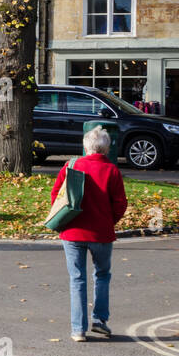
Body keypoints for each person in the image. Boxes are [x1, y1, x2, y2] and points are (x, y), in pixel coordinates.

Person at [51, 126, 127, 342]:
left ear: (86, 147)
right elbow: (120, 203)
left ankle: (78, 330)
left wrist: (64, 220)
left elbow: (56, 193)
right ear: (106, 149)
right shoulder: (112, 170)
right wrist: (109, 221)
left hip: (72, 231)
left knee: (77, 279)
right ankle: (100, 321)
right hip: (101, 233)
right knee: (102, 275)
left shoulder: (71, 165)